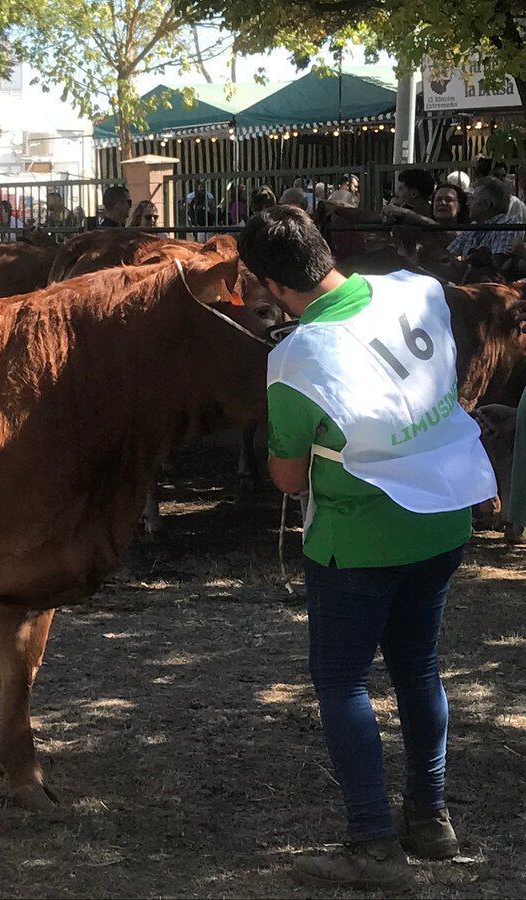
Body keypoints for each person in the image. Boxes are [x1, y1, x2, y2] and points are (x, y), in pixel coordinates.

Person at [239, 206, 495, 889]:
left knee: (342, 680)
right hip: (443, 517)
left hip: (357, 540)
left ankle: (373, 843)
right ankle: (431, 818)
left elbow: (288, 476)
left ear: (269, 284)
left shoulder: (297, 356)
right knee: (418, 667)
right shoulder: (415, 288)